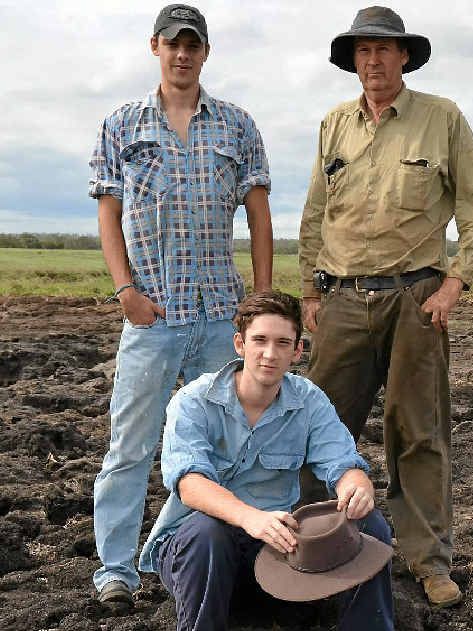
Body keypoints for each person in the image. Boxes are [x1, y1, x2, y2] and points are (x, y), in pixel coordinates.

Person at [298, 6, 473, 608]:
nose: (374, 61)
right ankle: (317, 548)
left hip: (417, 300)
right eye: (363, 52)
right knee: (319, 427)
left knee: (418, 431)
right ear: (353, 61)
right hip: (342, 298)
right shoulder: (334, 124)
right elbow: (316, 213)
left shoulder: (442, 118)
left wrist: (454, 285)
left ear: (405, 56)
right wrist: (309, 289)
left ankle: (427, 559)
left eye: (384, 50)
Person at [87, 4, 273, 604]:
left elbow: (259, 211)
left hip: (222, 315)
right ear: (155, 47)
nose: (183, 54)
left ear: (206, 53)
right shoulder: (122, 124)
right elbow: (108, 212)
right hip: (154, 316)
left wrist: (263, 296)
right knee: (131, 445)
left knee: (229, 443)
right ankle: (115, 569)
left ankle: (172, 550)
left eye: (193, 44)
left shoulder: (237, 126)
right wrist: (126, 293)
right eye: (173, 43)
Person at [138, 291, 395, 631]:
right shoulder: (195, 401)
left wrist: (356, 487)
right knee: (208, 532)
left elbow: (342, 460)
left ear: (297, 350)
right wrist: (251, 518)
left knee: (370, 524)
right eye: (259, 340)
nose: (269, 354)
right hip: (199, 552)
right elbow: (190, 483)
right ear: (240, 344)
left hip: (277, 547)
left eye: (282, 343)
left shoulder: (308, 401)